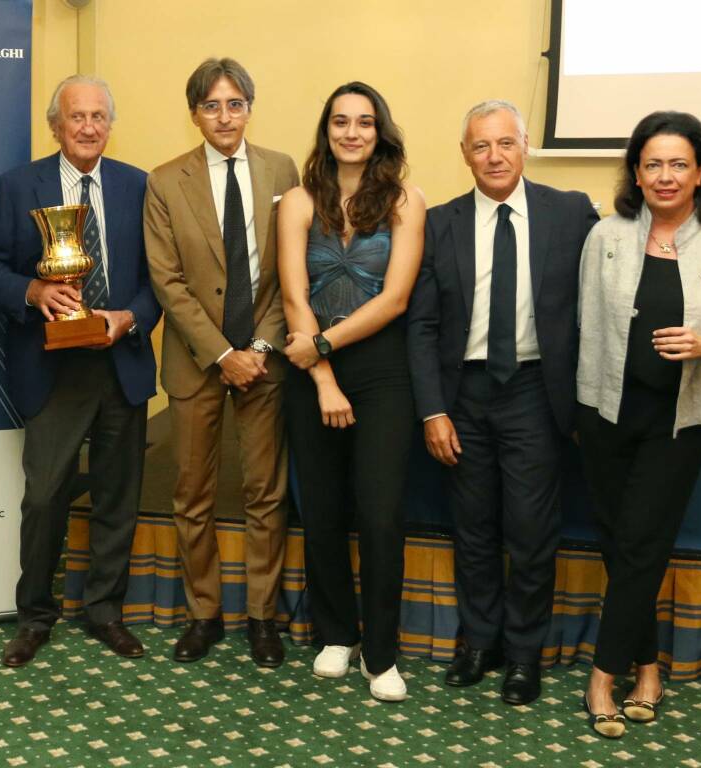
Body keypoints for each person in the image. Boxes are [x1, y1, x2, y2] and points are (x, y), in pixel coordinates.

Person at [407, 100, 599, 705]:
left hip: (535, 393)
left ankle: (523, 655)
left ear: (525, 147)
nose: (494, 156)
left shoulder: (570, 213)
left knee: (532, 530)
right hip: (463, 394)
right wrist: (433, 410)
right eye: (480, 146)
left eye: (506, 143)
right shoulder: (439, 223)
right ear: (464, 154)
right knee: (474, 528)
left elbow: (618, 277)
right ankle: (480, 643)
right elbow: (422, 326)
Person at [577, 111, 701, 738]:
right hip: (603, 414)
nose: (665, 175)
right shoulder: (605, 235)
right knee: (619, 543)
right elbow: (584, 325)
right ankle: (648, 667)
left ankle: (603, 676)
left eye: (679, 163)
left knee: (642, 543)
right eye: (652, 163)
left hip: (680, 421)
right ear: (636, 171)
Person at [0, 75, 161, 667]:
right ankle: (34, 615)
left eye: (98, 117)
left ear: (110, 124)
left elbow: (160, 278)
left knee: (118, 497)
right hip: (52, 369)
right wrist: (34, 291)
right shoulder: (18, 184)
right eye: (76, 117)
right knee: (45, 498)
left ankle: (105, 611)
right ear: (55, 125)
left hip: (120, 365)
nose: (87, 127)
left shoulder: (138, 185)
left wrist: (129, 317)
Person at [144, 57, 299, 667]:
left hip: (266, 359)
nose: (224, 116)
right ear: (194, 115)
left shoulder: (282, 170)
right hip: (195, 359)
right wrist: (221, 354)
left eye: (235, 104)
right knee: (193, 494)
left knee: (265, 493)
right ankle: (203, 613)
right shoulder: (165, 181)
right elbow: (167, 280)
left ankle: (263, 617)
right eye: (211, 105)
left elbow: (293, 270)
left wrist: (257, 348)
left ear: (249, 108)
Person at [278, 82, 424, 701]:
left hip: (384, 373)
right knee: (324, 511)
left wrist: (327, 351)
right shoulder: (298, 200)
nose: (352, 133)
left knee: (382, 514)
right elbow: (292, 297)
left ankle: (381, 653)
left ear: (380, 132)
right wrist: (322, 376)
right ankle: (336, 633)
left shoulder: (405, 200)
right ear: (327, 130)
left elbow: (394, 300)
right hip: (309, 371)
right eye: (340, 121)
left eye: (364, 122)